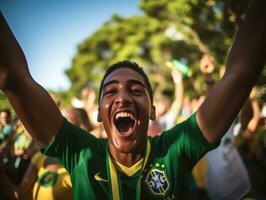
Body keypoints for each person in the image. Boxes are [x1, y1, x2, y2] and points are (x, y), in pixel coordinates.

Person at [0, 0, 265, 199]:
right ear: (98, 114)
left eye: (136, 90)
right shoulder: (80, 153)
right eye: (111, 91)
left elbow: (240, 75)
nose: (123, 97)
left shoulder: (175, 149)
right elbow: (13, 78)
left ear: (151, 111)